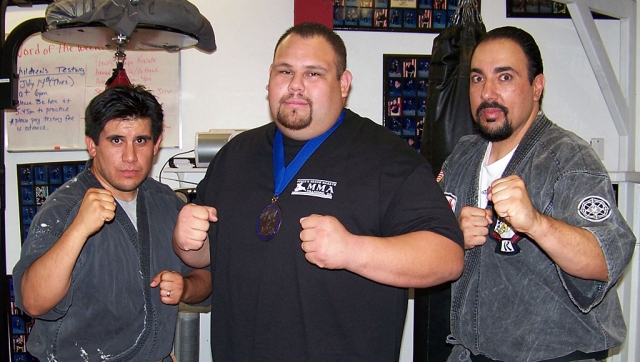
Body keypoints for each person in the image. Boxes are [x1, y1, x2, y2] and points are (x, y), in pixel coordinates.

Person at [173, 22, 464, 361]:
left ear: (343, 84)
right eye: (286, 71)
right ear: (270, 78)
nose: (295, 85)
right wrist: (187, 241)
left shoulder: (386, 157)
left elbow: (447, 257)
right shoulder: (235, 155)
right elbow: (208, 256)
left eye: (313, 74)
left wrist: (352, 250)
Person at [439, 26, 636, 362]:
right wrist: (453, 234)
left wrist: (535, 223)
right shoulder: (462, 155)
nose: (488, 93)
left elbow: (606, 259)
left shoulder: (568, 158)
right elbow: (432, 238)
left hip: (557, 354)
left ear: (536, 86)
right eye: (477, 79)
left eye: (504, 78)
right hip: (474, 351)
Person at [12, 85, 212, 361]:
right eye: (116, 141)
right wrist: (79, 229)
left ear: (156, 145)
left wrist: (186, 288)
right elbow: (34, 301)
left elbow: (207, 276)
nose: (130, 156)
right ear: (93, 145)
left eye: (140, 141)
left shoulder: (165, 202)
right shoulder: (64, 207)